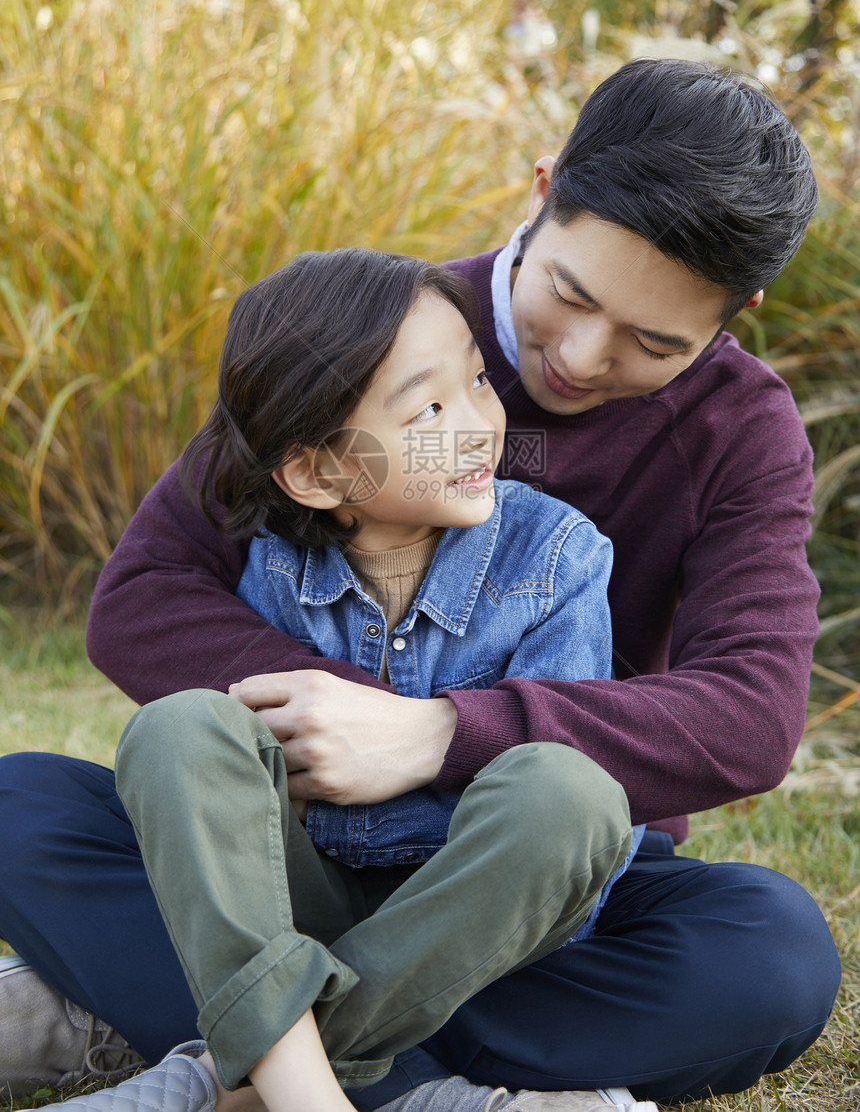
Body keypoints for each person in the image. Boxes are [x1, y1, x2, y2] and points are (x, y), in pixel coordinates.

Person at [0, 59, 842, 1108]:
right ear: (541, 191)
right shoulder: (376, 332)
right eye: (567, 294)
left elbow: (749, 717)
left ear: (735, 314)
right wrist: (331, 718)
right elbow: (144, 595)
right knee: (22, 805)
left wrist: (436, 732)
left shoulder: (740, 431)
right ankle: (410, 1079)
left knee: (769, 961)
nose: (578, 357)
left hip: (531, 874)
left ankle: (243, 1049)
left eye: (651, 342)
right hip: (297, 849)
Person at [18, 247, 650, 1112]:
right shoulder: (271, 565)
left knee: (570, 788)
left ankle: (234, 1082)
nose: (476, 426)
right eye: (428, 408)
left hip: (472, 912)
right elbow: (230, 780)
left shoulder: (558, 555)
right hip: (294, 894)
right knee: (175, 730)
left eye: (477, 381)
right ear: (316, 474)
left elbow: (563, 830)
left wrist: (418, 747)